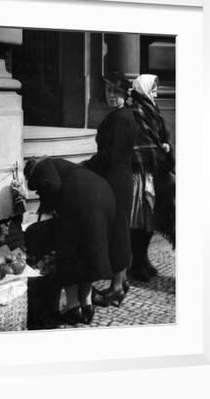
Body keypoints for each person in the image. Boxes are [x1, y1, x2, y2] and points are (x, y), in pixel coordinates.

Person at [24, 156, 116, 325]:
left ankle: (73, 308)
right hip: (104, 195)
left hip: (82, 199)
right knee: (87, 253)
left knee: (68, 255)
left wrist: (45, 206)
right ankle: (87, 306)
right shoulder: (63, 166)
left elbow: (53, 186)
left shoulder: (43, 165)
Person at [84, 72, 138, 307]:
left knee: (117, 231)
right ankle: (121, 279)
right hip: (117, 178)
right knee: (119, 229)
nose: (112, 96)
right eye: (108, 92)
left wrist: (86, 166)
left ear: (126, 96)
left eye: (117, 92)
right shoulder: (120, 116)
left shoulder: (121, 119)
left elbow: (110, 156)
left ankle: (116, 287)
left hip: (115, 179)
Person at [129, 74, 175, 281]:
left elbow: (160, 136)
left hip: (154, 170)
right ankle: (137, 263)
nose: (156, 92)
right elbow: (142, 143)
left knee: (151, 220)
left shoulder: (150, 107)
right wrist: (160, 148)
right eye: (153, 89)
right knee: (142, 220)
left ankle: (142, 259)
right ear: (143, 89)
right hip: (141, 173)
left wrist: (165, 145)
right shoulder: (137, 110)